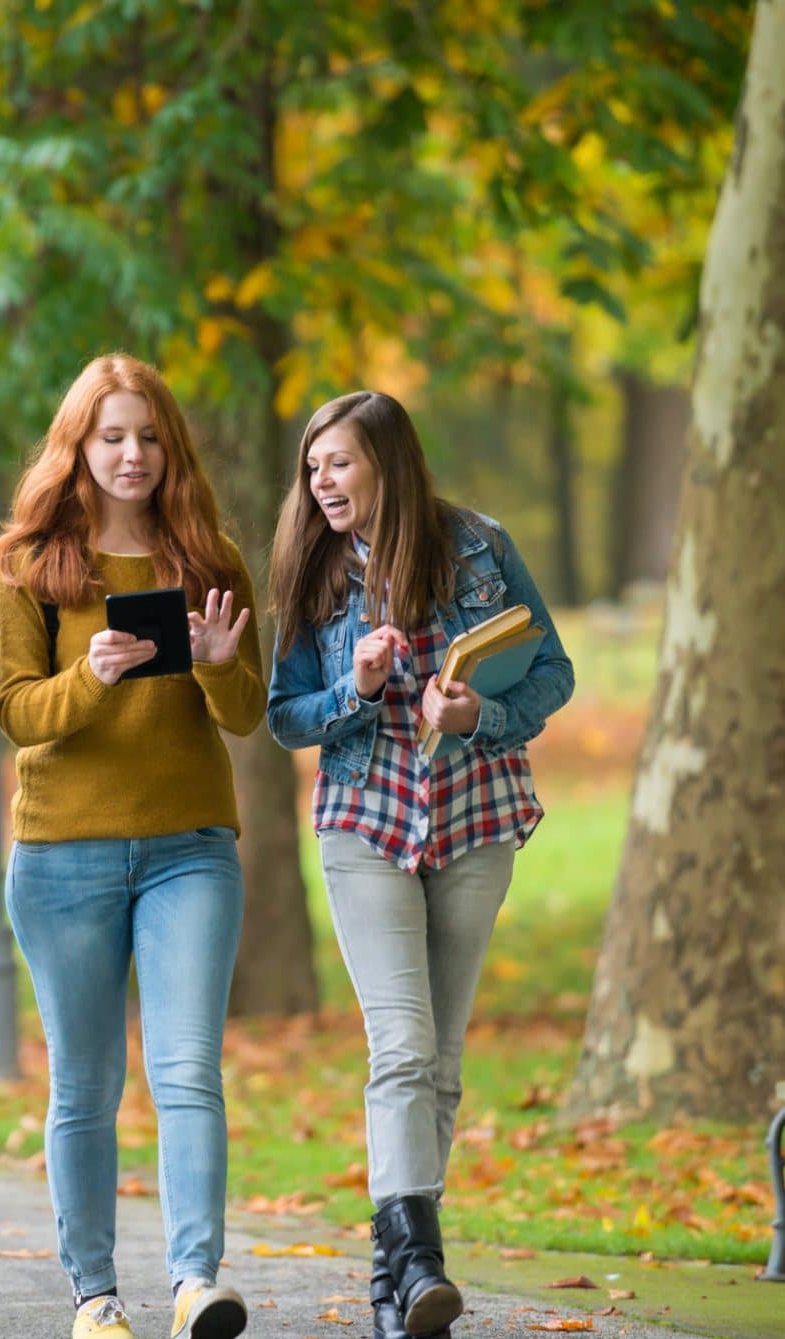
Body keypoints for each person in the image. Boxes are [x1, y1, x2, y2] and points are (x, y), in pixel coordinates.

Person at [265, 391, 574, 1339]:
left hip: (475, 820)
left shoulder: (479, 543)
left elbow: (553, 668)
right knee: (399, 1046)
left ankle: (392, 1286)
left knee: (438, 1062)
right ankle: (419, 1262)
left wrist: (479, 716)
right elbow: (287, 714)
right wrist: (353, 690)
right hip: (366, 823)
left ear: (388, 465)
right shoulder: (315, 569)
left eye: (339, 464)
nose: (320, 483)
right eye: (312, 467)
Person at [0, 353, 262, 1339]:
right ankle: (94, 1298)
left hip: (189, 847)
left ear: (167, 445)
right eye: (112, 437)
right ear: (79, 448)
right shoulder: (26, 565)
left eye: (147, 435)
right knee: (86, 1082)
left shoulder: (210, 556)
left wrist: (219, 665)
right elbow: (16, 714)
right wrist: (91, 676)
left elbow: (245, 714)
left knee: (185, 1069)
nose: (132, 453)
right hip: (63, 856)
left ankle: (194, 1282)